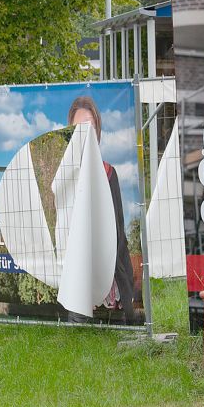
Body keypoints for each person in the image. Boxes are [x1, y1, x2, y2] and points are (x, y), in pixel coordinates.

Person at [67, 96, 136, 323]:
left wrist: (126, 292)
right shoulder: (65, 177)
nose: (85, 132)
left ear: (98, 130)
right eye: (79, 128)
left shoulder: (109, 173)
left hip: (107, 275)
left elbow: (118, 233)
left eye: (90, 126)